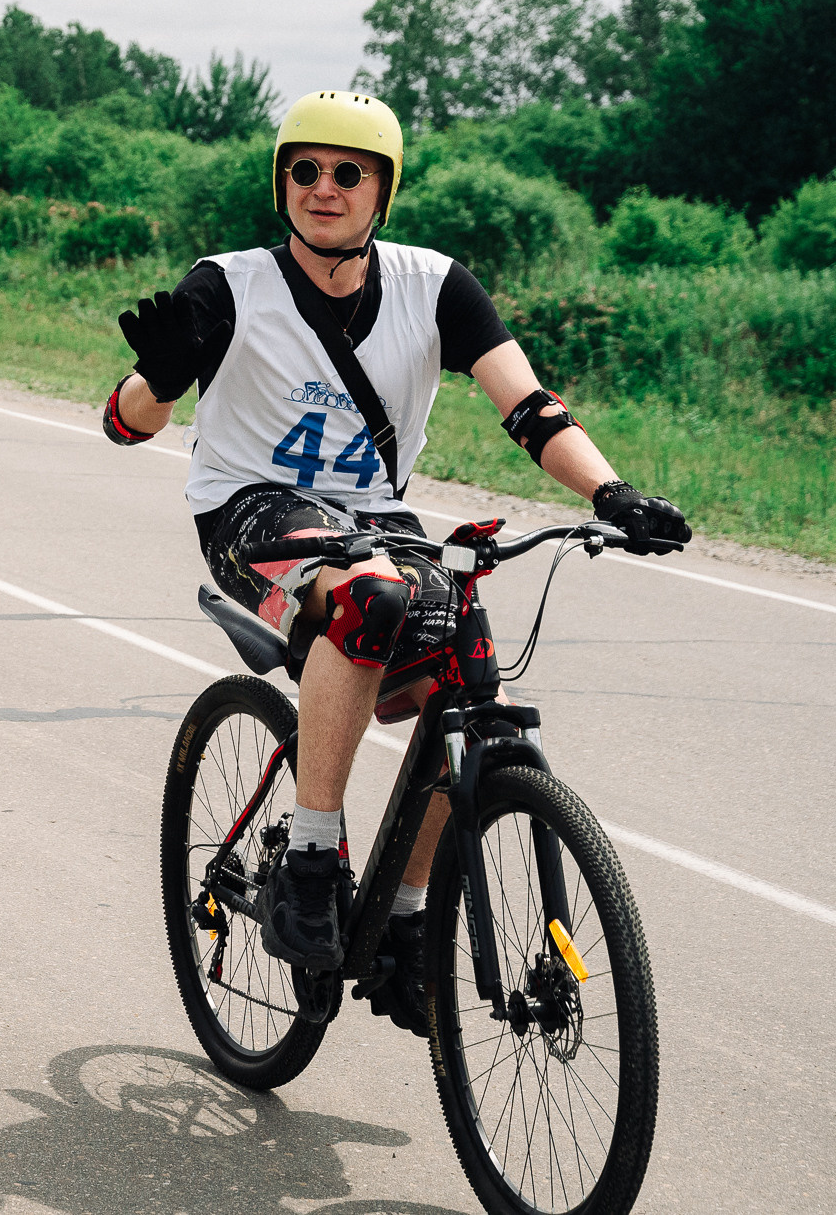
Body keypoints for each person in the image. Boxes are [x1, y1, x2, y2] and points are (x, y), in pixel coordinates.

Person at [101, 90, 690, 1030]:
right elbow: (124, 423)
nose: (323, 189)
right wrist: (161, 379)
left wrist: (609, 494)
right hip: (250, 508)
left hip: (373, 512)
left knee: (469, 667)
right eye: (305, 170)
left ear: (384, 188)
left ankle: (408, 920)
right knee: (369, 599)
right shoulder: (230, 283)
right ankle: (309, 859)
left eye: (348, 173)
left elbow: (530, 406)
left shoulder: (435, 286)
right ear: (281, 182)